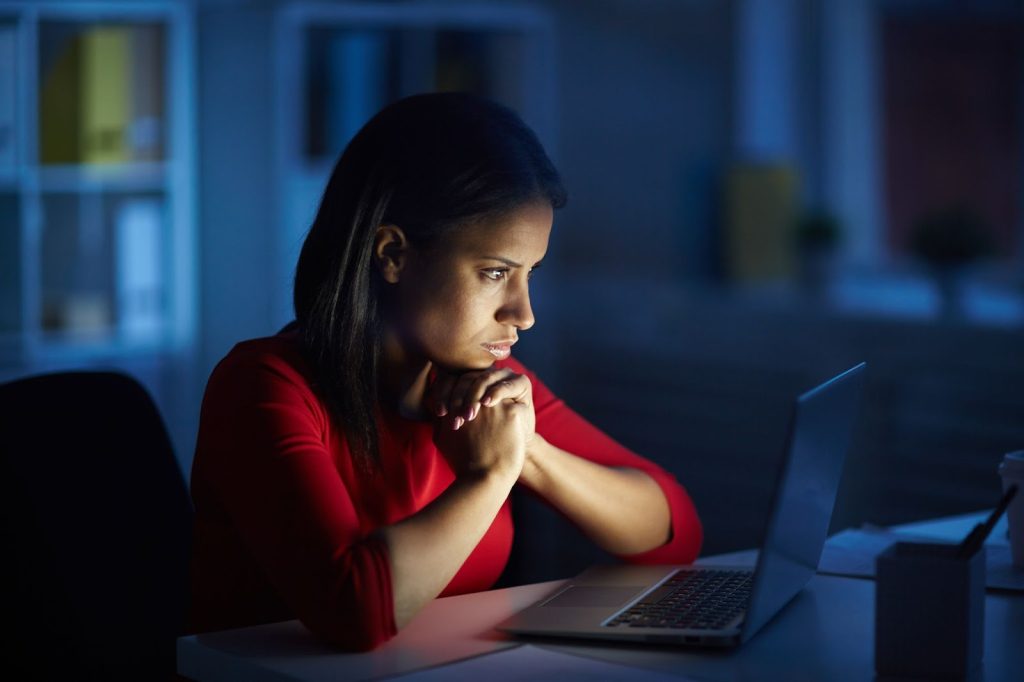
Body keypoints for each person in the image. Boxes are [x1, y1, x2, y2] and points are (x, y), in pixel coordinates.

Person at [188, 93, 702, 651]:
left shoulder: (478, 384)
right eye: (494, 272)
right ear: (392, 255)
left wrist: (526, 454)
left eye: (530, 272)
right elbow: (351, 611)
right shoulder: (263, 387)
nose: (524, 314)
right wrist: (489, 480)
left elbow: (673, 531)